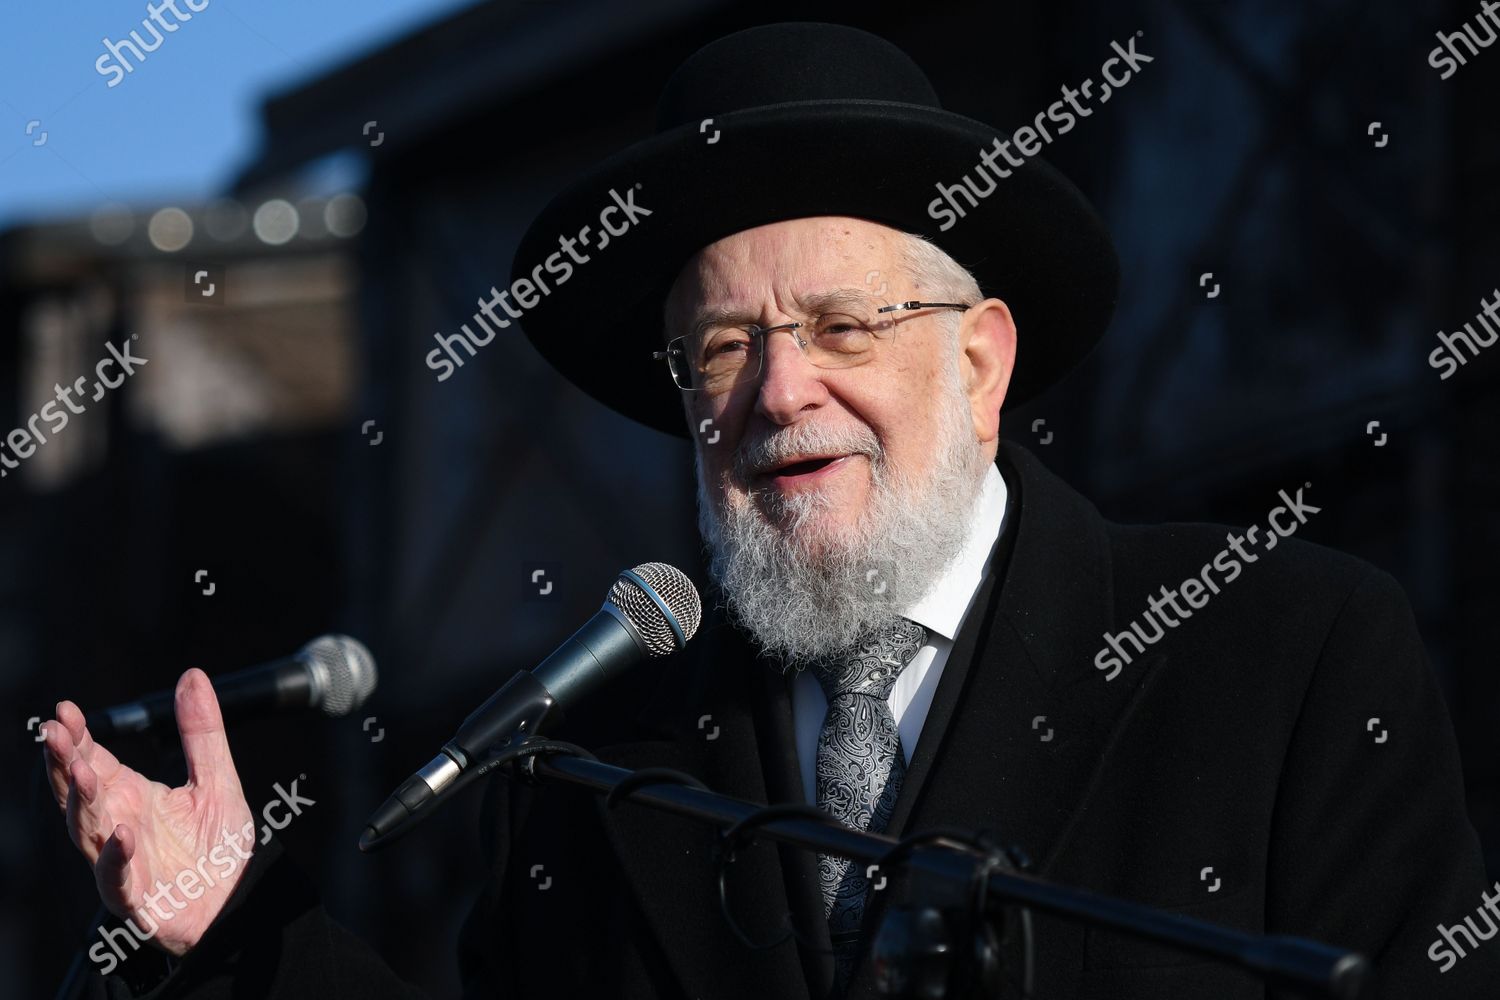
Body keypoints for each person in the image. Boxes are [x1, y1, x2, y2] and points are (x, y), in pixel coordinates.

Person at [42, 21, 1498, 1000]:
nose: (780, 393)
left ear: (979, 362)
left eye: (846, 326)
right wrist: (228, 935)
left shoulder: (1284, 653)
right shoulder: (604, 766)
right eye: (723, 349)